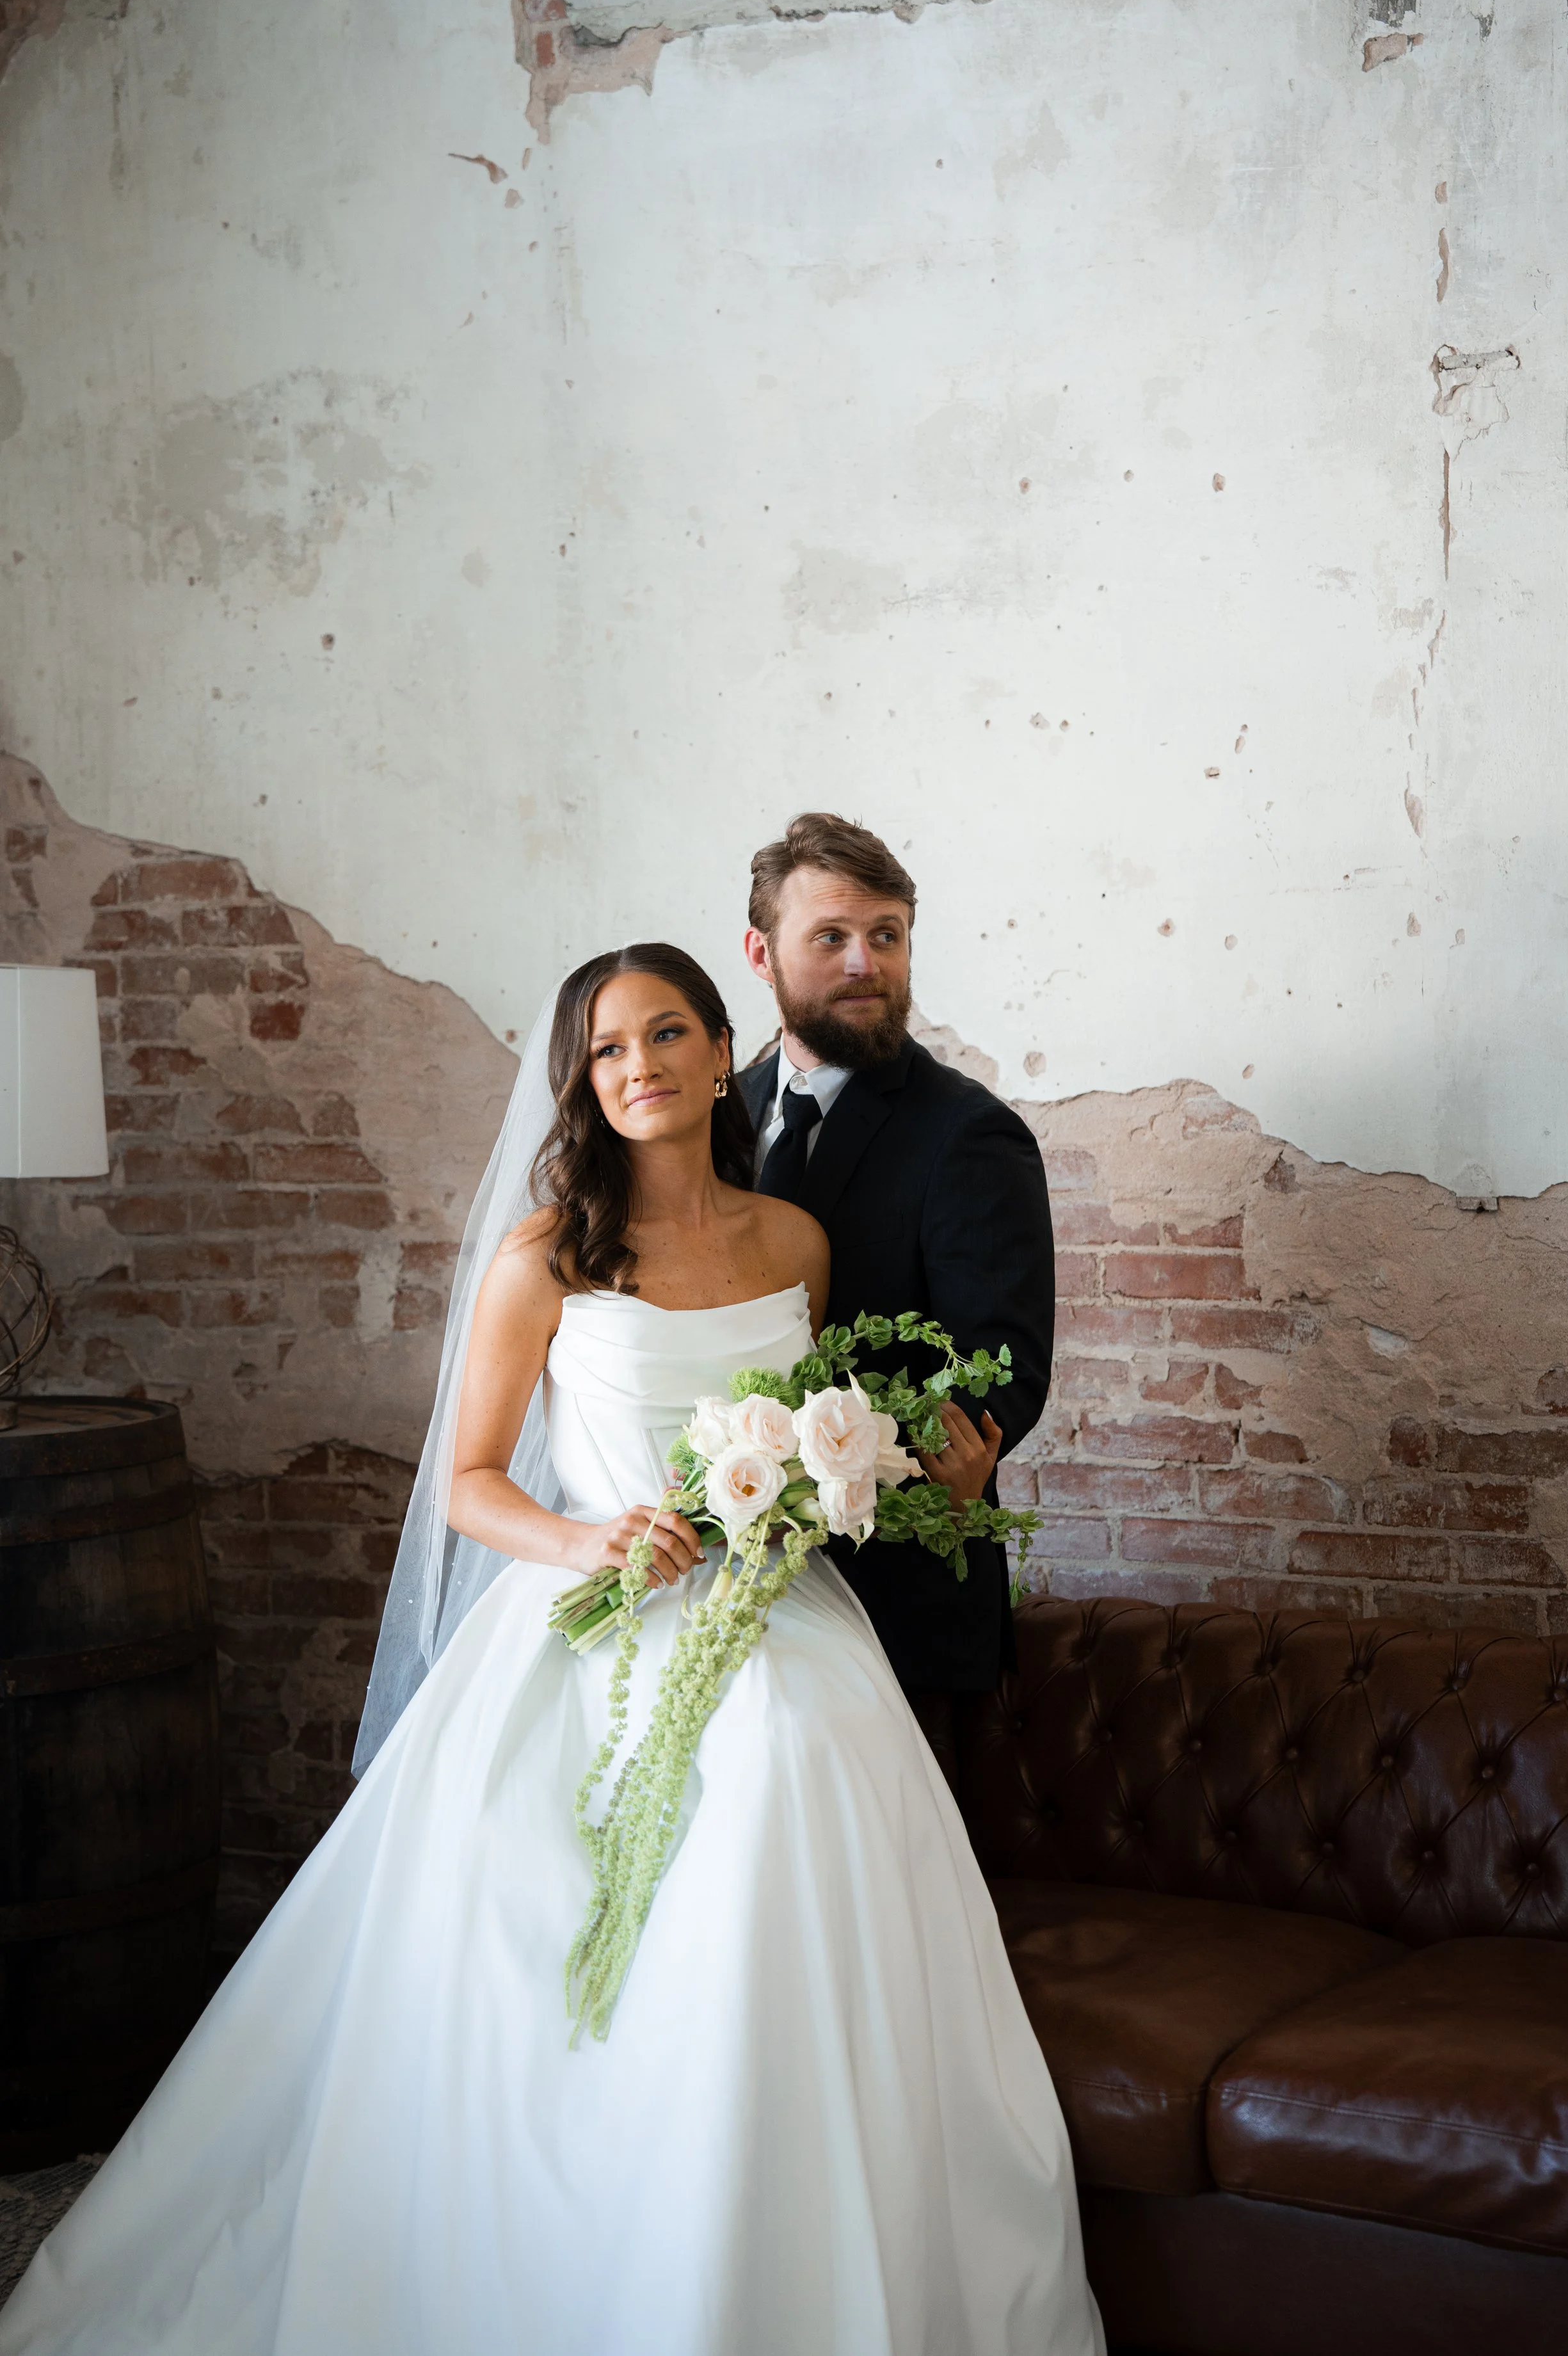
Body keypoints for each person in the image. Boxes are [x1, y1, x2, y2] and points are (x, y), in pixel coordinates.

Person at [1, 942, 1103, 2356]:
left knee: (794, 1758)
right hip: (592, 1619)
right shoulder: (546, 1257)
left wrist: (864, 1474)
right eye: (603, 1051)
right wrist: (595, 1544)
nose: (635, 1067)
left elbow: (804, 1435)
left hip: (773, 1613)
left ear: (723, 1051)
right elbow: (466, 1482)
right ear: (581, 1082)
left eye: (662, 1035)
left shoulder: (794, 1247)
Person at [740, 815, 1055, 1785]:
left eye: (888, 934)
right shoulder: (716, 1115)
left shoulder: (970, 1135)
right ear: (761, 952)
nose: (866, 961)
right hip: (732, 1601)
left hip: (897, 1599)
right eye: (831, 936)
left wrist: (838, 1470)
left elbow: (1001, 1368)